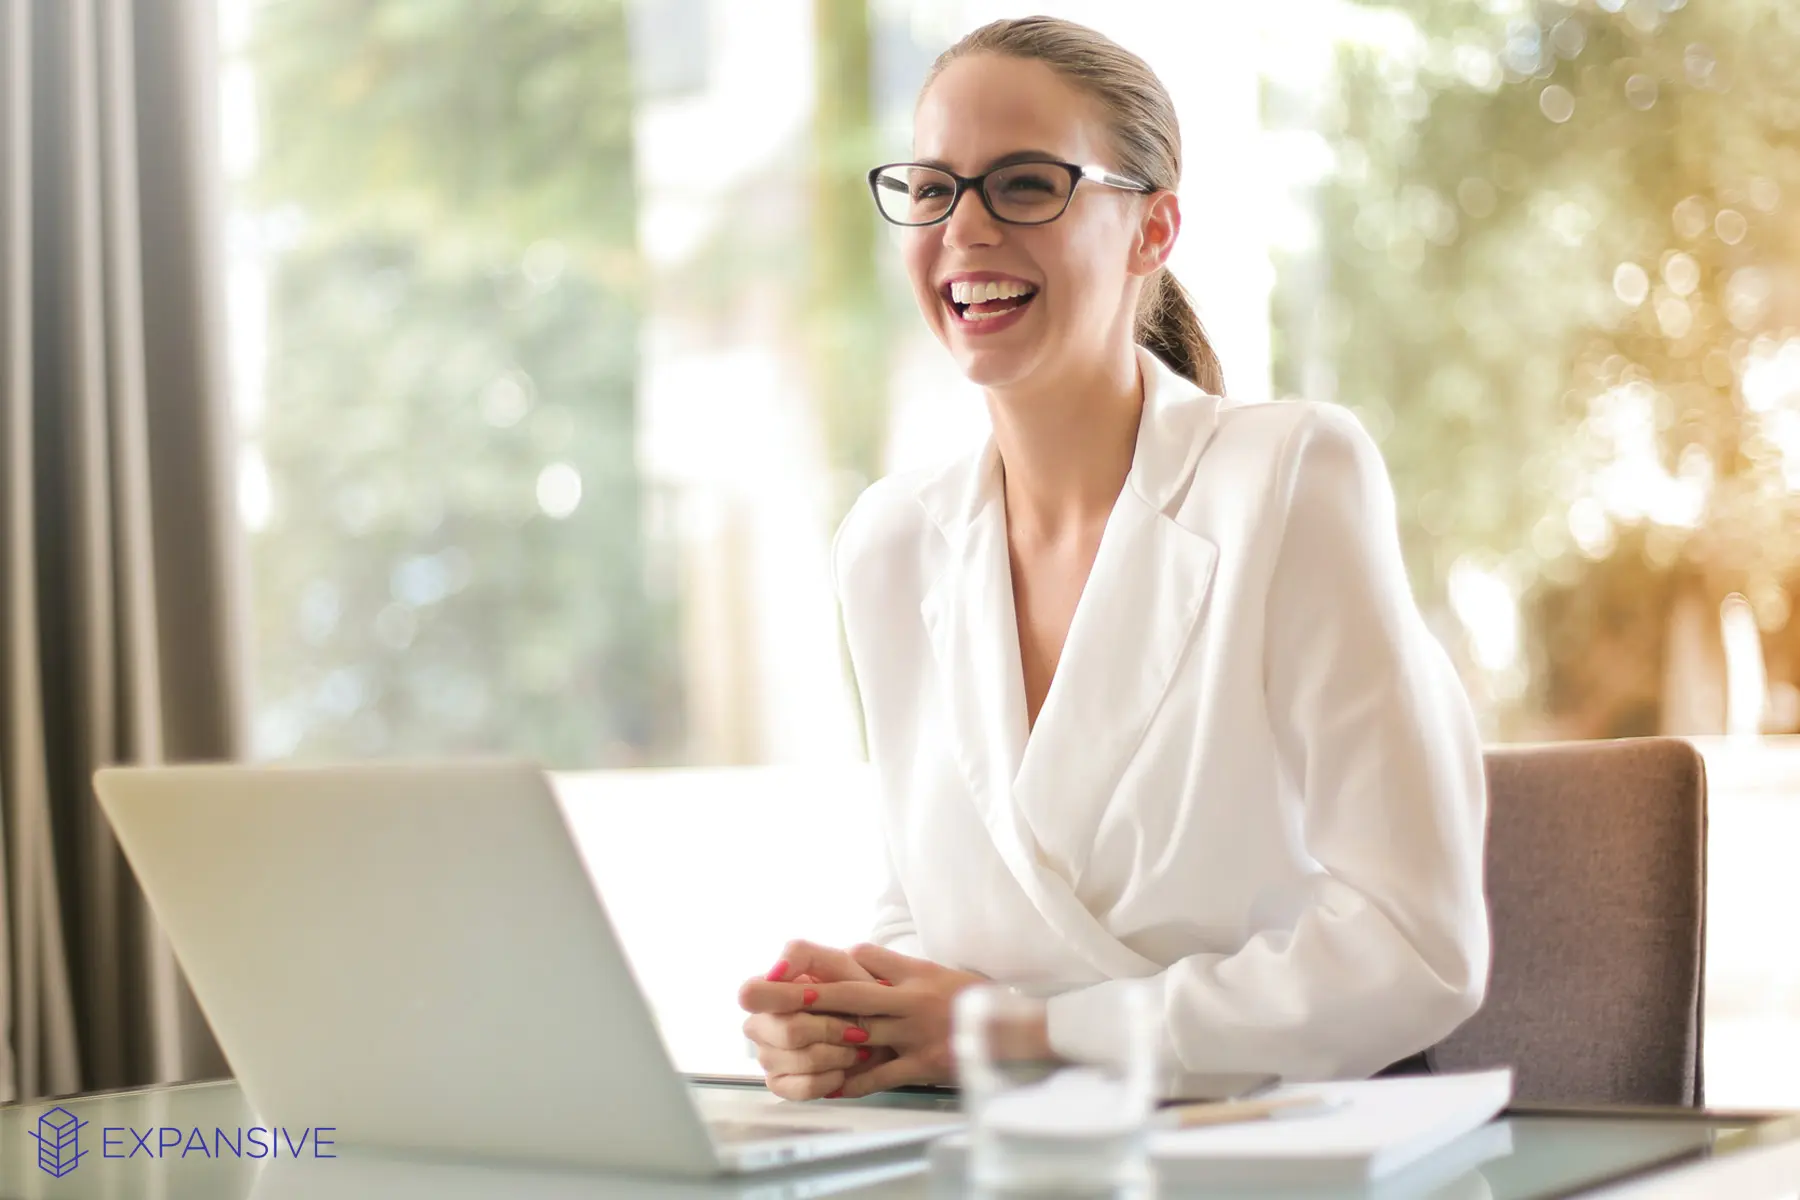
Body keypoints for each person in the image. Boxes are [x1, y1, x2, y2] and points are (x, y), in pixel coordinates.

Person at [736, 15, 1489, 1102]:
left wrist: (1028, 1033)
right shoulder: (889, 546)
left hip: (1266, 1145)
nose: (966, 228)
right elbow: (929, 905)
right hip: (1013, 1154)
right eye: (934, 187)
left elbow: (1418, 948)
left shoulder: (1287, 480)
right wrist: (852, 1019)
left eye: (1026, 185)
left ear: (1153, 228)